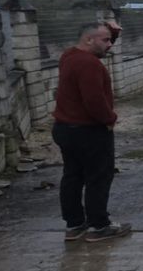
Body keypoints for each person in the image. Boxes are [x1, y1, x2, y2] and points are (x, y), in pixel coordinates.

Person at [52, 20, 132, 243]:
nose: (110, 44)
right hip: (89, 131)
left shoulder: (69, 56)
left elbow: (100, 48)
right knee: (98, 177)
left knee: (73, 176)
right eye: (106, 40)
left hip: (65, 129)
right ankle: (99, 226)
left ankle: (74, 224)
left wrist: (111, 32)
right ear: (89, 40)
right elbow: (94, 100)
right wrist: (110, 119)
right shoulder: (89, 64)